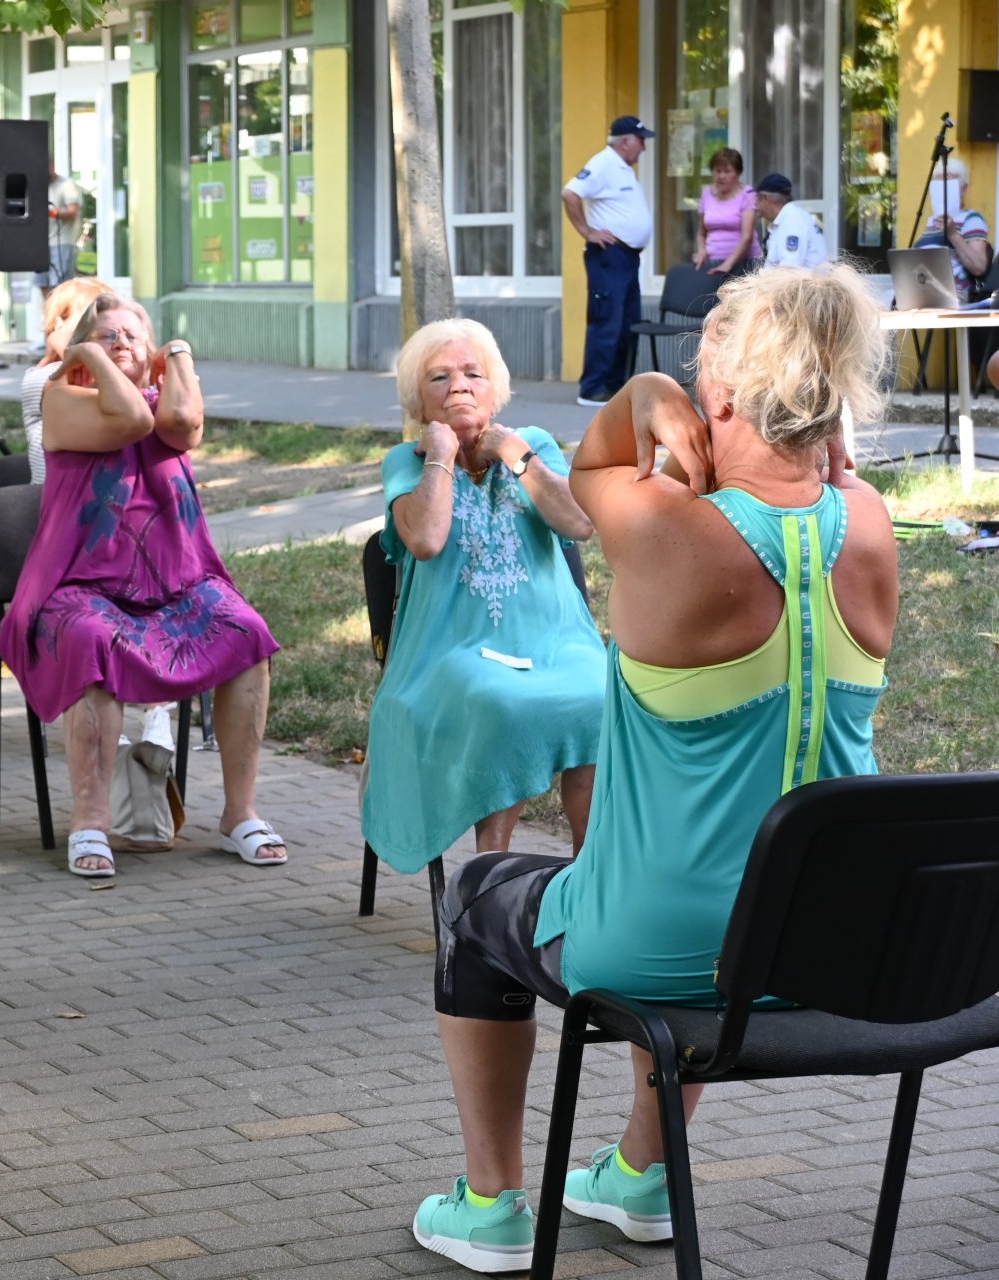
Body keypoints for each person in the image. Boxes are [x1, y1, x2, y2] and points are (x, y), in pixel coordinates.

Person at [410, 265, 897, 1274]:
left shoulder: (670, 530)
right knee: (691, 891)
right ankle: (638, 1174)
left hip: (673, 949)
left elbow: (590, 476)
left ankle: (493, 1204)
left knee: (479, 896)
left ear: (718, 395)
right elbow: (810, 489)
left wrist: (634, 397)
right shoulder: (873, 523)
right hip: (838, 945)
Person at [0, 293, 287, 877]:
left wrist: (174, 352)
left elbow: (182, 424)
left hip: (176, 583)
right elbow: (130, 419)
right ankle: (91, 821)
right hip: (80, 584)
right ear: (82, 353)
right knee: (87, 640)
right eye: (108, 336)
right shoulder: (63, 400)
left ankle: (239, 814)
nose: (123, 343)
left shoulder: (164, 400)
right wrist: (87, 359)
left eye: (134, 335)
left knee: (247, 632)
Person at [361, 319, 602, 879]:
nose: (459, 386)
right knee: (497, 702)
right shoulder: (406, 463)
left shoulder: (533, 447)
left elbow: (581, 522)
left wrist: (515, 454)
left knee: (602, 694)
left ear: (496, 389)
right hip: (451, 652)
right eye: (439, 377)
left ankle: (593, 879)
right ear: (419, 403)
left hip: (556, 642)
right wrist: (442, 457)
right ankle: (488, 881)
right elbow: (424, 539)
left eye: (474, 374)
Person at [563, 116, 655, 408]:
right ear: (626, 140)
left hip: (627, 258)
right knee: (607, 321)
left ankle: (616, 387)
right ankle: (593, 389)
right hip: (609, 257)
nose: (643, 147)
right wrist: (587, 231)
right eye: (641, 141)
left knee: (627, 321)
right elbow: (570, 193)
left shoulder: (624, 169)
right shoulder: (603, 163)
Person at [19, 275, 112, 485]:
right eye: (88, 320)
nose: (96, 330)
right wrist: (58, 338)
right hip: (51, 498)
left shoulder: (99, 371)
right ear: (60, 322)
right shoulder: (42, 376)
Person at [914, 156, 992, 302]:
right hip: (925, 285)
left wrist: (953, 234)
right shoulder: (932, 220)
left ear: (964, 188)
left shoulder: (972, 219)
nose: (944, 188)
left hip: (955, 292)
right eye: (939, 182)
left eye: (950, 183)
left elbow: (979, 267)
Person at [32, 167, 84, 343]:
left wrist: (52, 213)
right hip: (41, 243)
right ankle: (50, 337)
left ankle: (66, 337)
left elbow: (72, 212)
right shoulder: (37, 186)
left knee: (60, 290)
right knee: (43, 287)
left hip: (62, 244)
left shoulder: (66, 185)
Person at [690, 147, 759, 275]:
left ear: (738, 173)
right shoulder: (706, 194)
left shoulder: (747, 194)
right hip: (713, 262)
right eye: (717, 171)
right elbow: (701, 233)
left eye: (727, 171)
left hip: (744, 263)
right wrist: (701, 251)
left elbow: (747, 236)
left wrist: (728, 264)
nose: (721, 176)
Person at [756, 173, 828, 270]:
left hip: (803, 284)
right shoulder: (788, 218)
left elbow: (789, 270)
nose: (755, 205)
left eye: (757, 199)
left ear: (765, 198)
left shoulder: (792, 222)